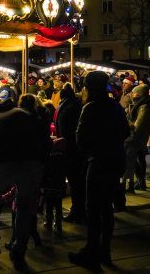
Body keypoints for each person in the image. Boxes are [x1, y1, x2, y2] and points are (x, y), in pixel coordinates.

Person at [0, 94, 51, 271]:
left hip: (2, 163)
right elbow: (45, 140)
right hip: (30, 162)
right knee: (24, 205)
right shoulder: (29, 115)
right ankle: (19, 248)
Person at [68, 71, 130, 269]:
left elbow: (81, 139)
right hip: (116, 159)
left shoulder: (90, 108)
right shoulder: (114, 105)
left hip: (98, 161)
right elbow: (126, 131)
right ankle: (105, 250)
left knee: (93, 208)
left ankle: (91, 251)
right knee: (106, 208)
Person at [55, 83, 84, 224]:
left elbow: (65, 128)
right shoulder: (77, 104)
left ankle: (77, 211)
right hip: (76, 148)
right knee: (77, 182)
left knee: (75, 181)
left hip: (71, 149)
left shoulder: (66, 108)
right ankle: (79, 210)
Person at [123, 83, 150, 193]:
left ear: (139, 94)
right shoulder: (140, 105)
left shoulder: (144, 107)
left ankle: (134, 184)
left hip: (135, 138)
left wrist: (129, 129)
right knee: (134, 161)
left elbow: (138, 125)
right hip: (136, 138)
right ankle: (137, 182)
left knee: (131, 162)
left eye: (134, 92)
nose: (132, 94)